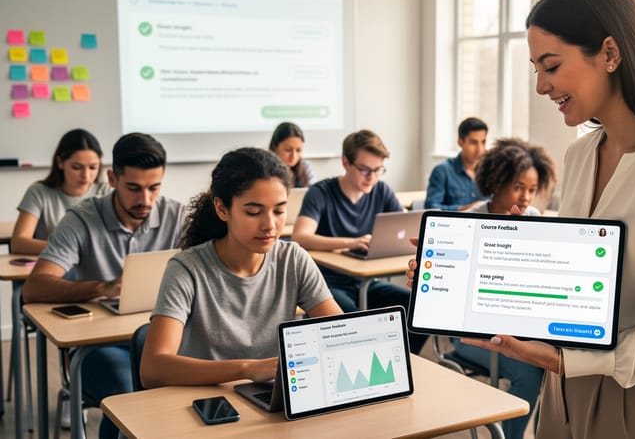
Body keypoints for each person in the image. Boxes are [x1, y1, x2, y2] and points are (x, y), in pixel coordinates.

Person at [408, 0, 635, 438]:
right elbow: (573, 288)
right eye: (535, 68)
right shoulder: (581, 155)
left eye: (552, 65)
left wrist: (565, 358)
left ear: (610, 54)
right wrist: (451, 285)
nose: (542, 86)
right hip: (564, 391)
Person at [22, 132, 185, 439]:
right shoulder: (80, 219)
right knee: (128, 396)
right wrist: (102, 287)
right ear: (112, 178)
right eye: (134, 188)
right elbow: (34, 288)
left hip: (164, 340)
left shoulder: (177, 215)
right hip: (101, 348)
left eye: (154, 188)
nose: (145, 200)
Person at [140, 147, 342, 388]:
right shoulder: (187, 269)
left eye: (279, 211)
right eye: (253, 212)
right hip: (204, 404)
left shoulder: (293, 259)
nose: (270, 225)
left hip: (266, 401)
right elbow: (153, 368)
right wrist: (248, 369)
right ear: (222, 209)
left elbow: (340, 334)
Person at [449, 136, 557, 439]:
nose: (526, 198)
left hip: (520, 325)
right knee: (530, 375)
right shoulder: (470, 221)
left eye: (532, 190)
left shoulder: (534, 218)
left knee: (561, 365)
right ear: (496, 182)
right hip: (475, 333)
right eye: (518, 187)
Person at [292, 129, 427, 353]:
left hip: (365, 281)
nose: (371, 177)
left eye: (377, 170)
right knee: (354, 321)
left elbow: (405, 224)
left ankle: (405, 359)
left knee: (419, 306)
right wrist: (349, 242)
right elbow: (300, 237)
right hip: (326, 283)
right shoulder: (321, 192)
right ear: (346, 162)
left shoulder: (381, 190)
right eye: (364, 170)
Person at [11, 128, 111, 255]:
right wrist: (70, 248)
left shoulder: (106, 192)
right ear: (60, 162)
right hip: (54, 266)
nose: (86, 175)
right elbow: (19, 243)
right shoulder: (39, 192)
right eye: (77, 167)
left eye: (93, 167)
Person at [424, 117, 488, 210]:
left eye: (483, 142)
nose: (480, 149)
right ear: (460, 142)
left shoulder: (489, 172)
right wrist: (465, 209)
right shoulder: (442, 171)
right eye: (473, 143)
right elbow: (431, 207)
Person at [269, 121, 315, 188]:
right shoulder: (264, 169)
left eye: (298, 150)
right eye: (288, 150)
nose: (294, 156)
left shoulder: (306, 168)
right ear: (275, 147)